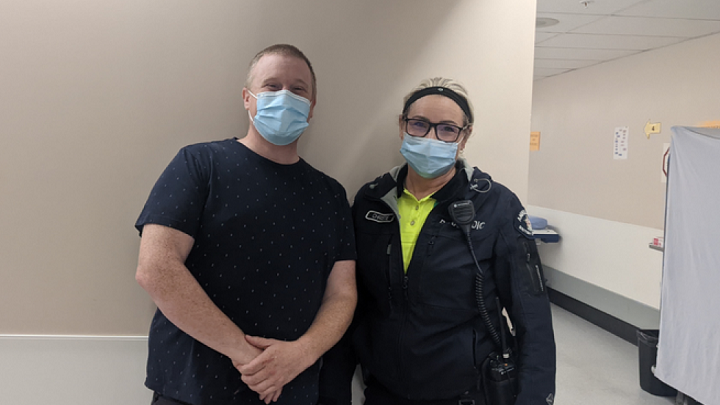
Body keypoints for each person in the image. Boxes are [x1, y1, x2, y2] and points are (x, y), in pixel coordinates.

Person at [134, 44, 357, 405]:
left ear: (312, 108)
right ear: (247, 98)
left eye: (298, 89)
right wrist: (248, 356)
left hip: (292, 388)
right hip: (194, 388)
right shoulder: (199, 165)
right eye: (271, 86)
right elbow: (155, 268)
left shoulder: (330, 194)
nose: (285, 95)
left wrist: (300, 354)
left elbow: (342, 293)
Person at [319, 78, 555, 405]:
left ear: (465, 136)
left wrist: (534, 398)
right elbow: (349, 304)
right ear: (402, 126)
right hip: (385, 392)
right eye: (419, 125)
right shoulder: (371, 201)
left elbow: (533, 318)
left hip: (468, 393)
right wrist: (333, 393)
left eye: (447, 129)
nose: (431, 137)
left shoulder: (497, 206)